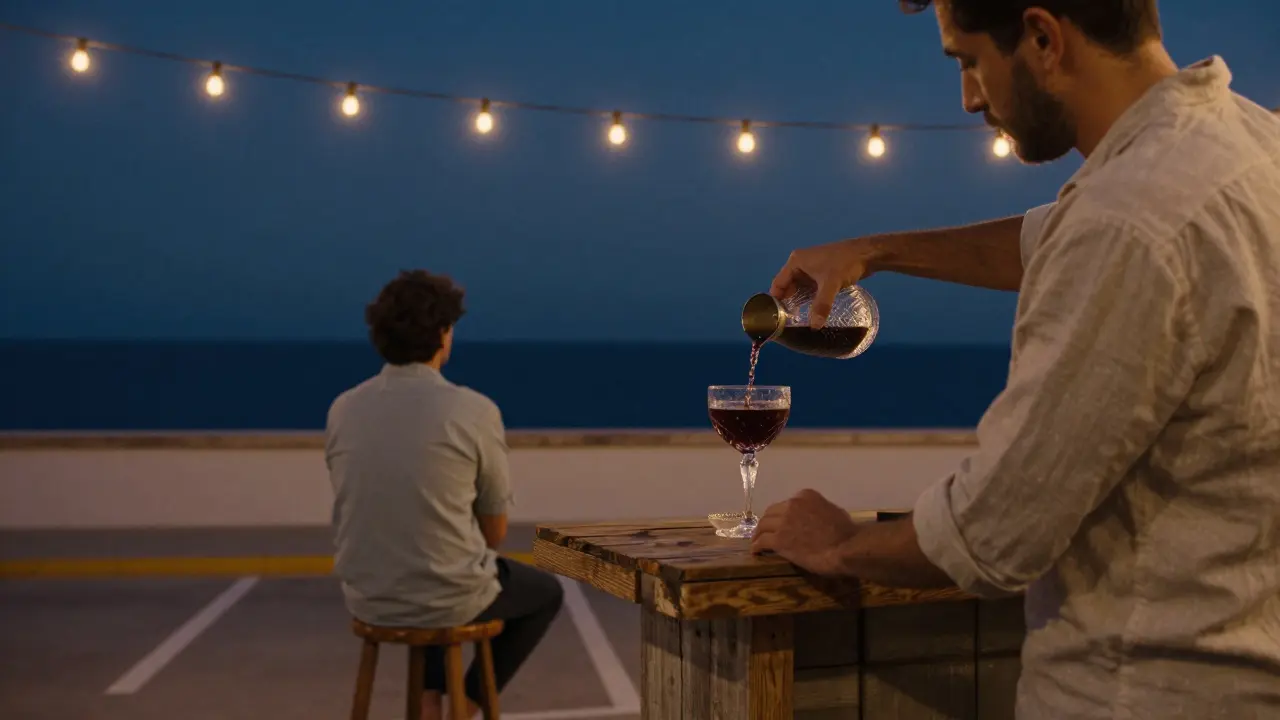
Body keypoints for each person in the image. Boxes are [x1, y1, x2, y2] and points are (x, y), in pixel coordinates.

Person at [751, 1, 1280, 718]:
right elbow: (1053, 240)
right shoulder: (1248, 148)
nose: (969, 98)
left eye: (969, 61)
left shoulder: (1126, 219)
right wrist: (876, 251)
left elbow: (995, 532)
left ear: (1042, 36)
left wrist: (842, 543)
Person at [325, 270, 563, 720]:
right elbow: (494, 533)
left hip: (368, 594)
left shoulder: (343, 408)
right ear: (442, 333)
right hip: (445, 594)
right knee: (543, 592)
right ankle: (465, 707)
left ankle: (427, 703)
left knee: (435, 562)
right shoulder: (472, 410)